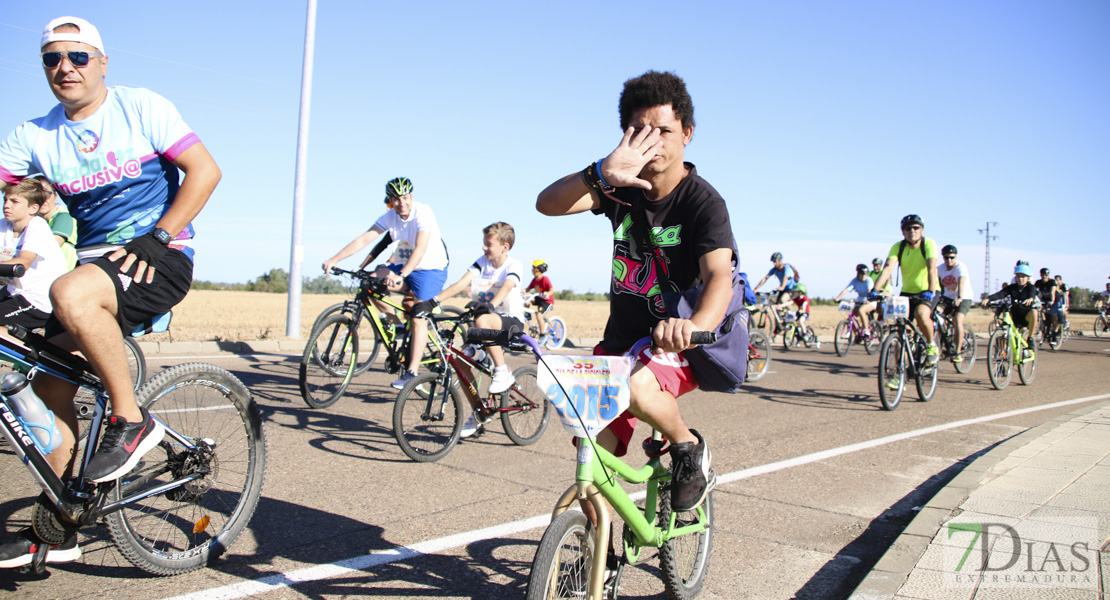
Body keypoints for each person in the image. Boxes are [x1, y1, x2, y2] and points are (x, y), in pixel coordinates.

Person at [0, 16, 221, 567]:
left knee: (69, 294)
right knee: (48, 388)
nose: (64, 68)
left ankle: (131, 419)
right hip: (99, 266)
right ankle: (62, 521)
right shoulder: (34, 134)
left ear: (101, 62)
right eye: (52, 58)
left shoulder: (139, 106)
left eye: (77, 57)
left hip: (158, 258)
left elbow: (205, 171)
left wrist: (159, 237)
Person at [537, 70, 734, 513]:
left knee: (641, 388)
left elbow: (720, 273)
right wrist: (599, 173)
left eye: (665, 130)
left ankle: (688, 448)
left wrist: (693, 327)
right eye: (642, 132)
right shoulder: (619, 192)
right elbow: (546, 204)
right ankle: (599, 555)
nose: (655, 142)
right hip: (622, 342)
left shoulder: (703, 202)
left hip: (675, 343)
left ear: (687, 132)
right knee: (592, 450)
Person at [321, 177, 449, 389]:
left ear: (412, 197)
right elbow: (364, 239)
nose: (402, 203)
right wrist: (335, 259)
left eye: (405, 198)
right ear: (390, 200)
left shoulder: (423, 212)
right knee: (369, 284)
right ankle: (397, 324)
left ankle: (412, 374)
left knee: (418, 316)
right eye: (396, 199)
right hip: (405, 265)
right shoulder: (390, 216)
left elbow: (421, 248)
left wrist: (402, 274)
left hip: (430, 268)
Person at [422, 222, 527, 437]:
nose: (484, 248)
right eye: (484, 244)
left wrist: (490, 305)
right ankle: (479, 412)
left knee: (482, 322)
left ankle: (502, 370)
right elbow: (461, 284)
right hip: (486, 323)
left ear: (504, 247)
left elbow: (507, 286)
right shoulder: (482, 263)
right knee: (461, 364)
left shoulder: (513, 265)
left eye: (488, 244)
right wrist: (433, 301)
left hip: (510, 322)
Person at [870, 214, 940, 369]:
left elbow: (931, 268)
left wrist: (930, 289)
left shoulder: (929, 243)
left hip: (928, 291)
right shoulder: (898, 247)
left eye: (916, 227)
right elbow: (888, 268)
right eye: (908, 228)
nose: (912, 231)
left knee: (921, 314)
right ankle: (900, 373)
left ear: (922, 230)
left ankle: (931, 345)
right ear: (903, 231)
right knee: (902, 332)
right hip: (907, 292)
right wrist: (875, 289)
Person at [0, 179, 68, 330]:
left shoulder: (37, 227)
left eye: (14, 201)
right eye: (5, 200)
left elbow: (24, 262)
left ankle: (24, 351)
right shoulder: (3, 225)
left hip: (39, 300)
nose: (6, 205)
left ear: (33, 208)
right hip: (14, 293)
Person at [983, 263, 1040, 353]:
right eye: (1018, 276)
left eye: (1023, 277)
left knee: (1034, 312)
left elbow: (1032, 293)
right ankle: (1001, 354)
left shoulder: (1031, 287)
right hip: (1014, 315)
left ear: (1028, 278)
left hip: (1025, 316)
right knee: (1002, 331)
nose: (1020, 279)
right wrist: (988, 299)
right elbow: (1001, 294)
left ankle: (1030, 338)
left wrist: (1030, 298)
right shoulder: (1012, 287)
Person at [936, 245, 974, 362]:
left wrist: (960, 297)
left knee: (957, 319)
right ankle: (943, 342)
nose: (949, 260)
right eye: (946, 257)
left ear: (956, 257)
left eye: (952, 257)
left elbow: (961, 283)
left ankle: (957, 352)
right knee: (935, 316)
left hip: (964, 297)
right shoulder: (940, 269)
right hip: (947, 297)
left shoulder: (961, 267)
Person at [33, 176, 78, 271]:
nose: (42, 199)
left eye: (46, 194)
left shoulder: (64, 217)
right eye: (37, 195)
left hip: (66, 278)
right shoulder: (37, 223)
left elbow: (49, 247)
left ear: (55, 197)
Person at [833, 263, 876, 338]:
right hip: (860, 300)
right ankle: (857, 335)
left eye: (865, 274)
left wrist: (868, 299)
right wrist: (838, 298)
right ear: (858, 274)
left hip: (870, 300)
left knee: (862, 310)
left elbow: (869, 291)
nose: (863, 276)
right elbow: (846, 290)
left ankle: (866, 330)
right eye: (862, 274)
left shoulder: (869, 280)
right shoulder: (855, 281)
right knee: (851, 318)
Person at [525, 259, 555, 341]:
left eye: (533, 268)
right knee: (526, 295)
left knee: (539, 315)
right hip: (539, 299)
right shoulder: (534, 280)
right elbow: (527, 289)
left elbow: (551, 290)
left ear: (538, 270)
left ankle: (542, 335)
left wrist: (547, 293)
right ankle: (527, 313)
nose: (532, 270)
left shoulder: (545, 279)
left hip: (546, 302)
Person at [1034, 268, 1059, 342]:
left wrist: (1052, 301)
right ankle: (1044, 328)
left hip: (1054, 300)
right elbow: (1034, 292)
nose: (1044, 276)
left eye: (1046, 275)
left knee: (1054, 317)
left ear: (1048, 275)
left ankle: (1054, 335)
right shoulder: (1038, 282)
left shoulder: (1052, 282)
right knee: (1043, 314)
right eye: (1042, 275)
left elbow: (1052, 292)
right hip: (1044, 299)